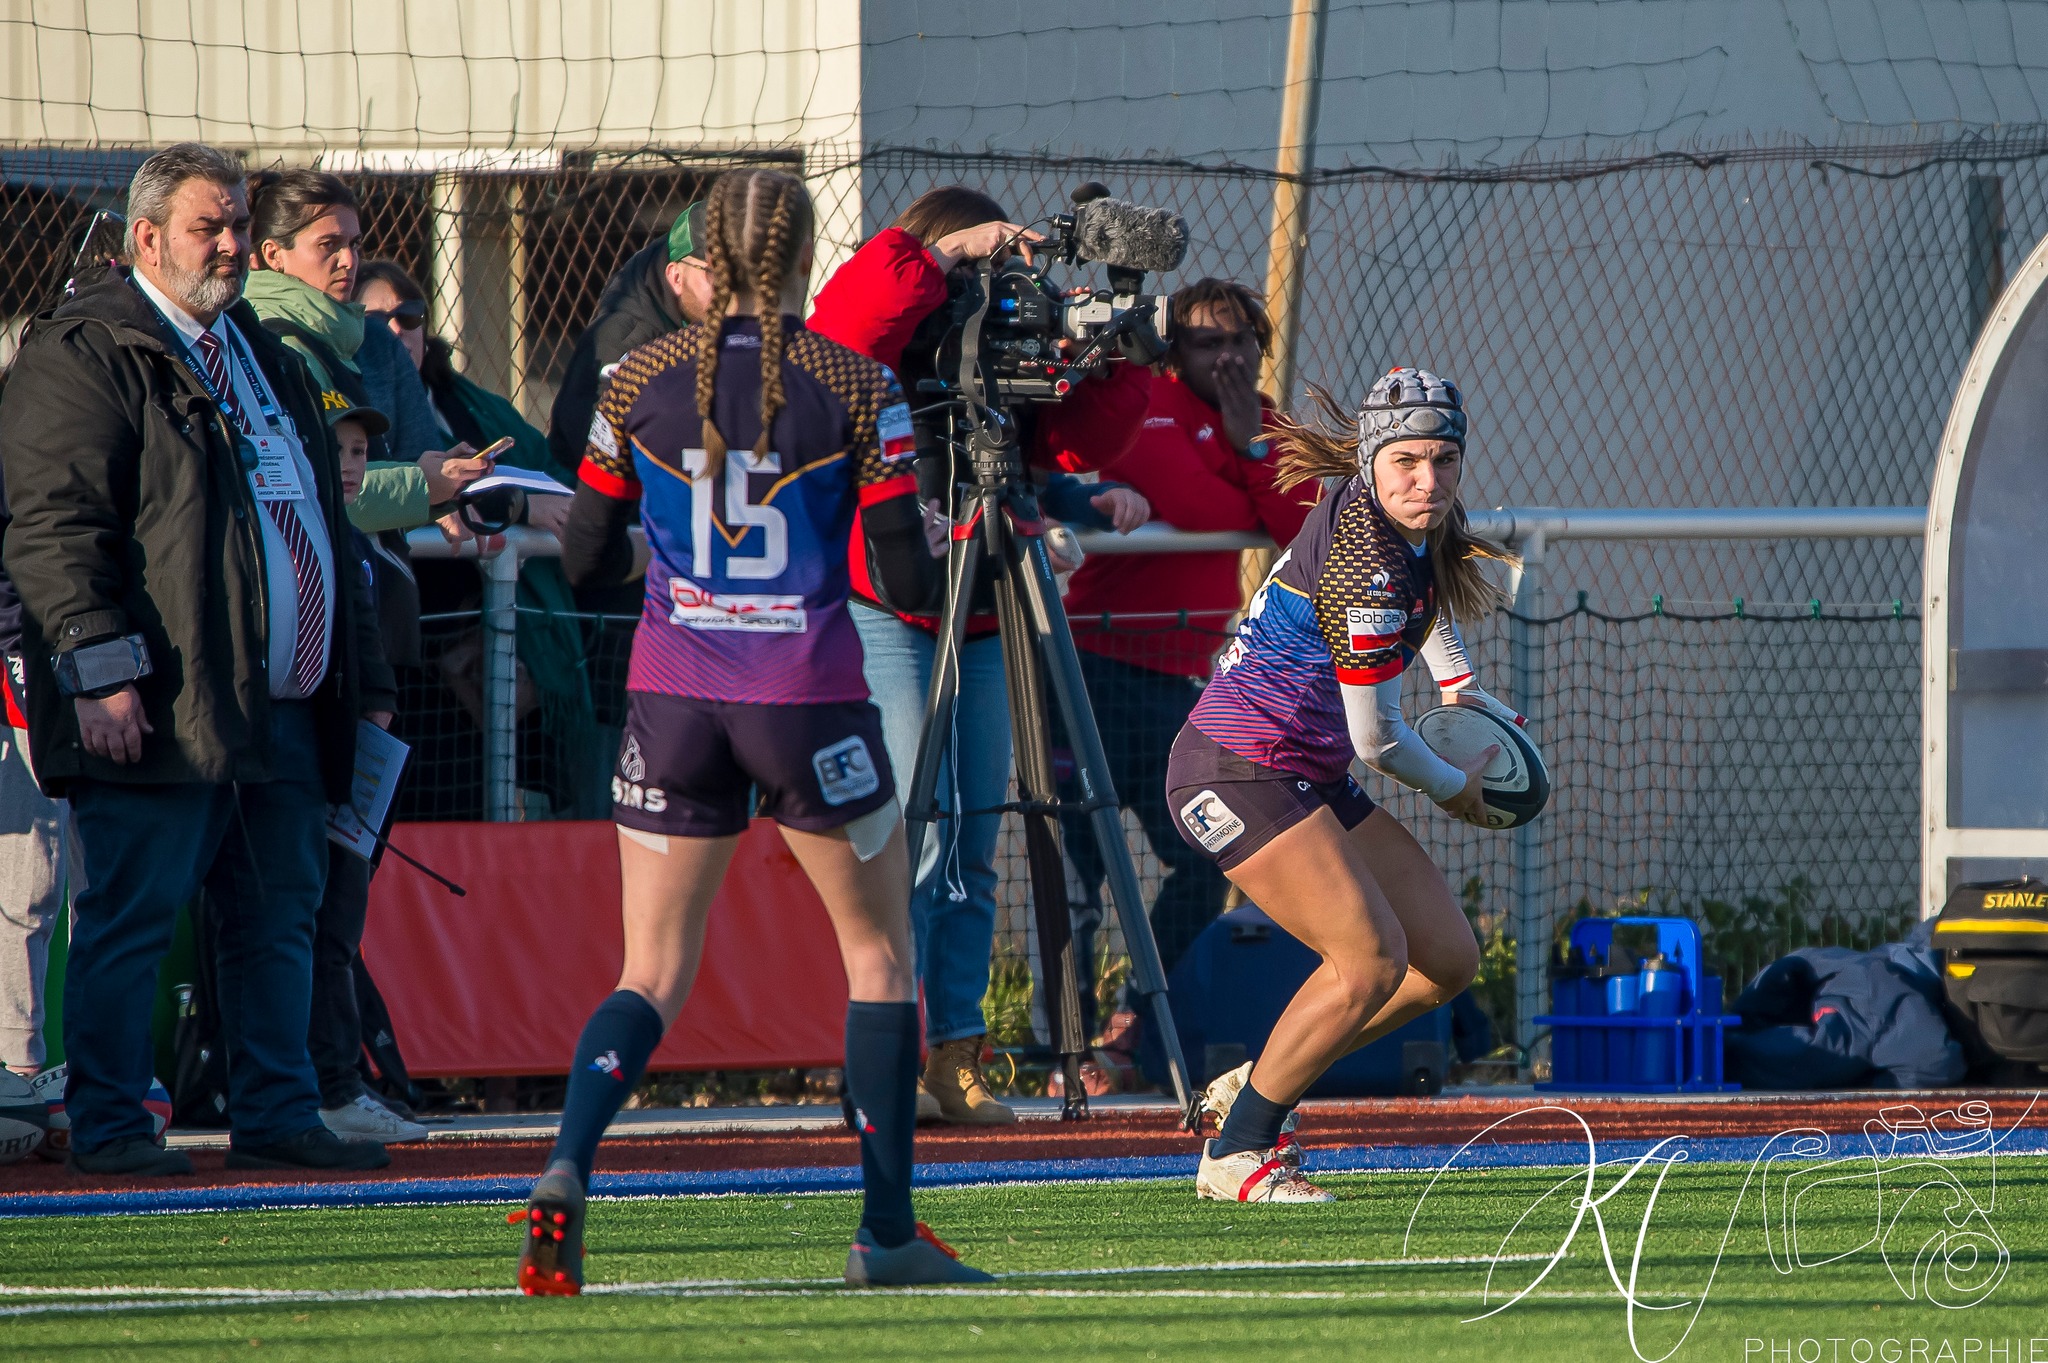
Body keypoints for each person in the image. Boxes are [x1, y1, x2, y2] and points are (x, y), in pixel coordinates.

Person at [521, 167, 988, 1291]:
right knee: (878, 957)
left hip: (675, 694)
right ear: (800, 258)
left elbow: (585, 557)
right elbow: (906, 568)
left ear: (697, 264)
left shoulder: (635, 378)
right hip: (808, 696)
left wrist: (665, 566)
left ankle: (567, 1167)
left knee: (651, 970)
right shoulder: (856, 383)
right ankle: (883, 1235)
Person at [0, 142, 395, 1175]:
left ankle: (277, 1108)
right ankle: (118, 1125)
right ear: (145, 237)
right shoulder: (84, 352)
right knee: (132, 917)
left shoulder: (259, 348)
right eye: (205, 228)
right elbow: (54, 529)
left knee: (278, 920)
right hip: (165, 703)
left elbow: (321, 518)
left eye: (234, 225)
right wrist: (99, 667)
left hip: (285, 710)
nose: (227, 246)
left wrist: (364, 681)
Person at [807, 185, 1150, 1124]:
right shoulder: (885, 335)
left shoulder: (1007, 344)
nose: (991, 285)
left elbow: (1085, 437)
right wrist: (946, 254)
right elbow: (840, 328)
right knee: (911, 838)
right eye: (973, 266)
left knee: (971, 841)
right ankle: (890, 1046)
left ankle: (955, 1052)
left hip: (992, 603)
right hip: (892, 605)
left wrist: (1120, 356)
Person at [1166, 368, 1519, 1203]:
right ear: (1369, 460)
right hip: (1236, 770)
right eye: (1406, 460)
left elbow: (1425, 599)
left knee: (1445, 958)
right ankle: (1240, 1149)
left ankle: (1263, 1079)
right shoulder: (1364, 555)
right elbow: (1377, 739)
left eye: (1443, 459)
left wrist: (1461, 687)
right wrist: (1454, 790)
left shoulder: (1406, 516)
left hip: (1303, 769)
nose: (1427, 479)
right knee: (1368, 958)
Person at [1059, 279, 1317, 1059]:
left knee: (1206, 858)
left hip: (1179, 676)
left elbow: (1303, 527)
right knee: (1077, 869)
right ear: (1175, 350)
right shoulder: (1150, 405)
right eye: (1210, 341)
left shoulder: (1262, 422)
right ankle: (1061, 1052)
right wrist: (1246, 478)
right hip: (1093, 665)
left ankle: (1130, 1024)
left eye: (1242, 340)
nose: (1230, 356)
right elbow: (1216, 515)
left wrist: (1249, 445)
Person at [355, 258, 606, 820]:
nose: (396, 330)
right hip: (403, 655)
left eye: (410, 315)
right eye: (376, 319)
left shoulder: (471, 404)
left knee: (500, 810)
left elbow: (560, 488)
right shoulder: (347, 402)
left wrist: (515, 498)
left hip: (497, 646)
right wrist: (510, 504)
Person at [242, 169, 492, 546]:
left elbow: (359, 479)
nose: (348, 260)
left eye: (355, 244)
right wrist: (422, 484)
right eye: (329, 244)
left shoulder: (345, 337)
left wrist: (440, 481)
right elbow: (309, 495)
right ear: (273, 254)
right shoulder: (272, 346)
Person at [307, 404, 429, 1144]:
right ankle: (323, 1085)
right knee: (312, 926)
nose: (352, 464)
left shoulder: (352, 535)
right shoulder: (306, 530)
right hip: (310, 757)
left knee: (337, 921)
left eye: (359, 451)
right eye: (339, 449)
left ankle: (331, 1082)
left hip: (352, 762)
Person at [546, 199, 715, 476]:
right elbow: (596, 451)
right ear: (675, 276)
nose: (732, 288)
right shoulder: (628, 339)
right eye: (713, 272)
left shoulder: (702, 306)